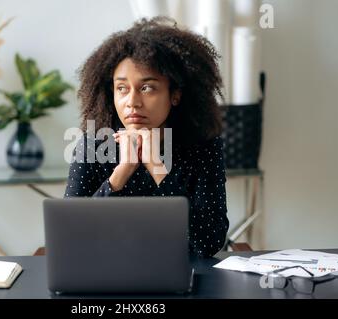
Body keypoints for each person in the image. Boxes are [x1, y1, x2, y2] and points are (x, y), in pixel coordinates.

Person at [64, 17, 229, 257]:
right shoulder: (93, 145)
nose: (132, 102)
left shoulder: (202, 147)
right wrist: (119, 175)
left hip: (179, 278)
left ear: (175, 95)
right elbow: (69, 237)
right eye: (122, 88)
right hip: (106, 275)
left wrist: (158, 168)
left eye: (147, 88)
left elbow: (208, 243)